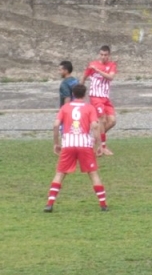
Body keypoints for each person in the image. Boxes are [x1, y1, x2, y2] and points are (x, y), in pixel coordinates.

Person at [45, 84, 108, 212]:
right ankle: (103, 205)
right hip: (84, 144)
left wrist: (56, 143)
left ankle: (50, 203)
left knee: (60, 173)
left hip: (68, 144)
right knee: (93, 173)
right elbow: (95, 127)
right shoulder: (89, 108)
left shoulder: (65, 107)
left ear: (73, 94)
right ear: (84, 95)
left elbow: (56, 125)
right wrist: (99, 145)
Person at [83, 45, 118, 155]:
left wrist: (98, 71)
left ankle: (94, 139)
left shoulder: (111, 65)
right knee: (102, 119)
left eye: (105, 55)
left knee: (112, 121)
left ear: (109, 55)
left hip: (105, 98)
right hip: (95, 97)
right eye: (101, 55)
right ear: (99, 54)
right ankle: (102, 146)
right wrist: (78, 92)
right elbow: (84, 77)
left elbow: (110, 77)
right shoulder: (92, 65)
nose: (103, 57)